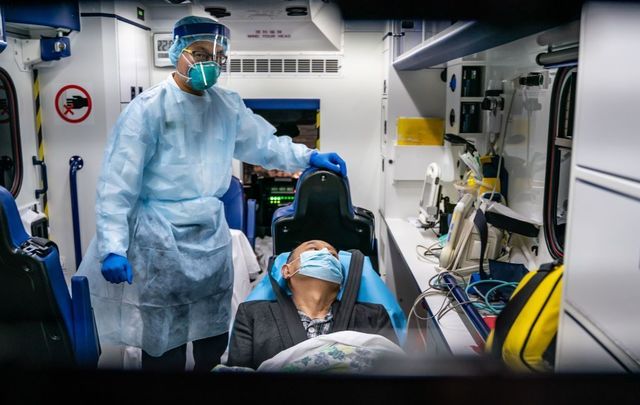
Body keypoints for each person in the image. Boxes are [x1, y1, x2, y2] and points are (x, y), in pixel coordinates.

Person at [76, 16, 347, 372]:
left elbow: (263, 144)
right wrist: (113, 245)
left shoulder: (226, 105)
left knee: (214, 335)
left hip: (210, 237)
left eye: (217, 57)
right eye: (200, 53)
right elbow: (117, 182)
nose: (209, 64)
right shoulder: (148, 109)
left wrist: (308, 155)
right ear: (176, 52)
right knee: (164, 342)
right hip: (161, 238)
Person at [226, 240, 397, 370]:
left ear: (340, 278)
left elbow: (393, 373)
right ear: (287, 271)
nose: (325, 254)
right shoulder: (252, 314)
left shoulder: (373, 315)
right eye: (313, 249)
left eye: (333, 255)